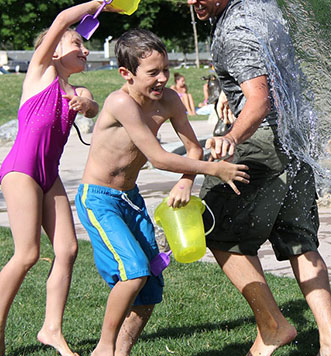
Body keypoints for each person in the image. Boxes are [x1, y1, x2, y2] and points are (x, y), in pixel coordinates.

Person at [74, 29, 249, 356]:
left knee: (150, 286)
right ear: (127, 74)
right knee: (134, 270)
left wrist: (186, 182)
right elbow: (157, 157)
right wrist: (216, 169)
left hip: (131, 199)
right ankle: (103, 348)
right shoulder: (120, 102)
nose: (162, 78)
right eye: (152, 72)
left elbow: (193, 148)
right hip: (98, 199)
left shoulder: (169, 100)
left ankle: (120, 352)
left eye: (165, 69)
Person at [187, 1, 331, 355]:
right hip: (297, 139)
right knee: (299, 240)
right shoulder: (262, 10)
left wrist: (231, 136)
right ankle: (330, 339)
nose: (193, 1)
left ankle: (273, 325)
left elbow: (258, 100)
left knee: (212, 226)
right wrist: (230, 96)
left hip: (263, 142)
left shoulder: (234, 31)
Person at [0, 1, 105, 355]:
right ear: (56, 49)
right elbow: (62, 19)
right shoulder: (40, 72)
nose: (85, 49)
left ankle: (51, 329)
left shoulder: (76, 91)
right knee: (27, 254)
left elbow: (91, 104)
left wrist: (89, 106)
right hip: (21, 171)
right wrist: (96, 4)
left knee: (67, 249)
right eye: (78, 44)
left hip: (49, 176)